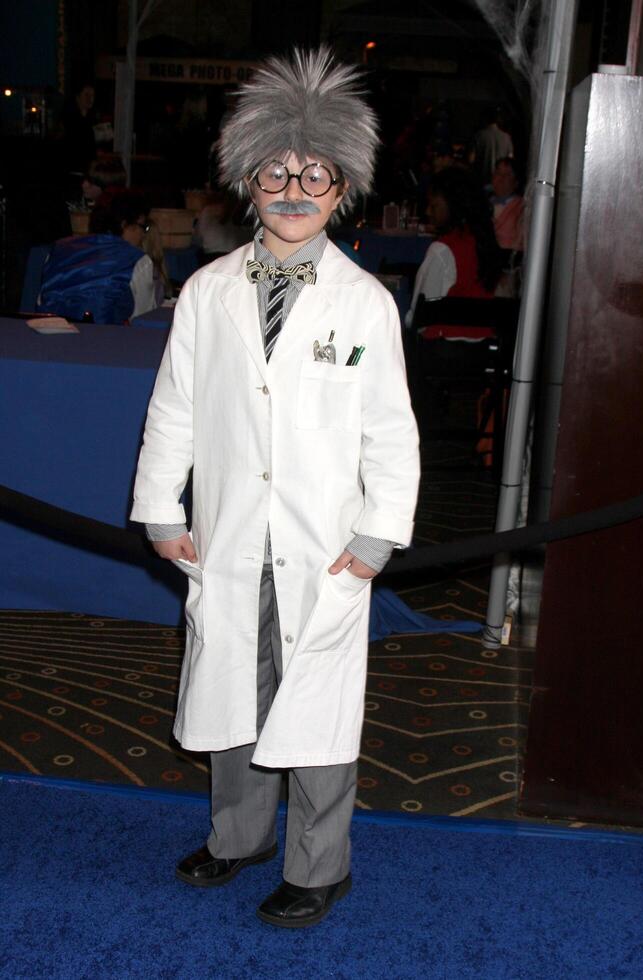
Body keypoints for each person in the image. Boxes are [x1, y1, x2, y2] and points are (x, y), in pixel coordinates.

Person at [130, 47, 420, 928]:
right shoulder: (208, 293)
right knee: (231, 693)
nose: (294, 192)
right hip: (227, 536)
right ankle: (238, 836)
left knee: (317, 706)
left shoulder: (363, 302)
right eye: (275, 174)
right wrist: (159, 509)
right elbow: (173, 406)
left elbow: (391, 429)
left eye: (316, 177)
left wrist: (377, 535)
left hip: (322, 545)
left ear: (344, 191)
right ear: (247, 182)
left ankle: (319, 865)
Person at [406, 167, 504, 327]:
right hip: (484, 346)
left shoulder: (442, 250)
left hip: (441, 347)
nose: (428, 211)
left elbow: (418, 314)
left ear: (453, 205)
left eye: (434, 205)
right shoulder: (486, 245)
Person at [38, 190, 157, 323]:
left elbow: (41, 300)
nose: (143, 235)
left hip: (52, 335)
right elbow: (144, 318)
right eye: (143, 227)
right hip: (105, 338)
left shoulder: (58, 249)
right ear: (125, 224)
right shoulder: (137, 260)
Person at [490, 156, 524, 253]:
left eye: (507, 175)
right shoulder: (483, 204)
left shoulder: (521, 207)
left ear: (516, 182)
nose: (501, 178)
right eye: (498, 173)